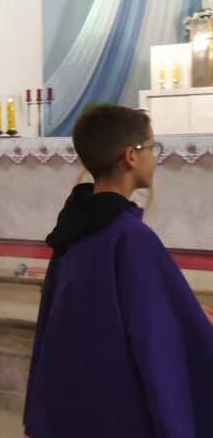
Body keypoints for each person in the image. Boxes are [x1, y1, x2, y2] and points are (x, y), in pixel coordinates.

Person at [23, 106, 213, 437]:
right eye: (152, 147)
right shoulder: (131, 237)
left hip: (78, 399)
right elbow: (161, 334)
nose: (155, 157)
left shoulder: (71, 229)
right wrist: (199, 322)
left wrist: (186, 310)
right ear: (131, 156)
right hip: (122, 406)